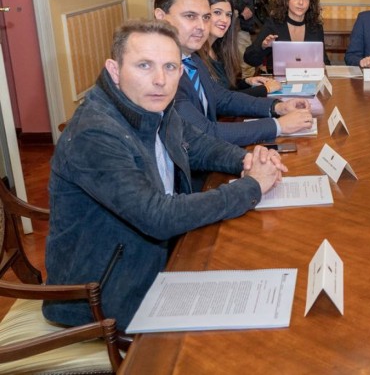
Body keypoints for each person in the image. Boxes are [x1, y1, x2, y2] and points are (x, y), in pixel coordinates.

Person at [43, 19, 288, 331]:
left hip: (154, 262)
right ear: (114, 70)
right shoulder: (95, 132)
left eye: (170, 67)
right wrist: (251, 186)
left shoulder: (153, 107)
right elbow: (157, 216)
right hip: (100, 299)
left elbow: (200, 146)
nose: (160, 80)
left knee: (263, 271)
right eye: (144, 65)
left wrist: (249, 158)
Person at [155, 0, 312, 147]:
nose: (202, 26)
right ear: (161, 17)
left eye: (205, 17)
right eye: (190, 16)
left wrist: (279, 107)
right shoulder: (161, 73)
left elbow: (224, 98)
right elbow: (204, 133)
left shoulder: (191, 59)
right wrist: (279, 125)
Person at [199, 0, 279, 97]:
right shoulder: (196, 55)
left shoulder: (218, 49)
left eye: (228, 15)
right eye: (217, 12)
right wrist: (265, 89)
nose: (225, 20)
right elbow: (221, 100)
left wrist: (247, 82)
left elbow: (225, 87)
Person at [244, 0, 330, 73]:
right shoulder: (274, 24)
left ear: (310, 2)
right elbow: (249, 58)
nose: (301, 2)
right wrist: (263, 47)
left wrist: (324, 65)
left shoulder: (315, 27)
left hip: (309, 82)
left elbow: (324, 60)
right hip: (280, 84)